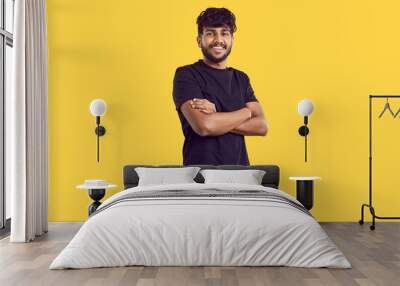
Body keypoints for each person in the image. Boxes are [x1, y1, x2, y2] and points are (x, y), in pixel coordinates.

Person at [173, 7, 268, 166]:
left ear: (232, 39)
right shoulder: (186, 75)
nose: (218, 40)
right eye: (210, 33)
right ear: (199, 40)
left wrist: (217, 114)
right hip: (200, 176)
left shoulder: (241, 78)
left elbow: (261, 126)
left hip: (240, 175)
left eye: (224, 33)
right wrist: (246, 112)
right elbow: (204, 126)